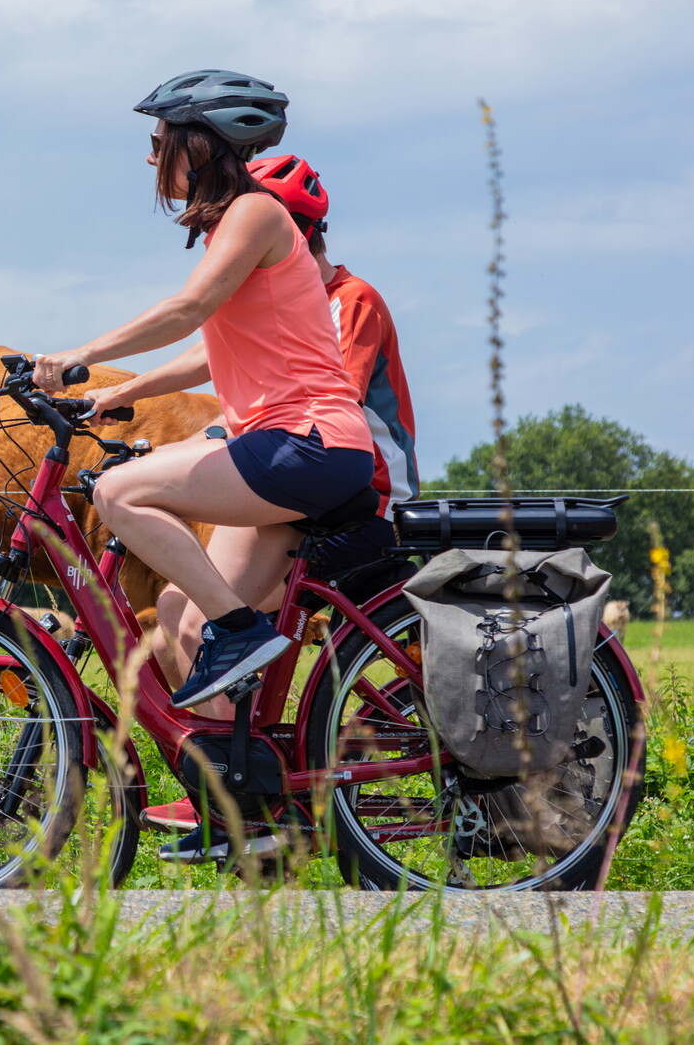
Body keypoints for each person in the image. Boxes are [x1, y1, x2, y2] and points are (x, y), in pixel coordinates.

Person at [34, 70, 376, 859]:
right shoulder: (241, 225)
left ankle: (241, 628)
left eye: (161, 142)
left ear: (199, 143)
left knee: (120, 492)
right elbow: (207, 353)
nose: (153, 157)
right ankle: (242, 816)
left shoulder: (257, 212)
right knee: (184, 622)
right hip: (290, 449)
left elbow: (188, 310)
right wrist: (112, 395)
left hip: (307, 444)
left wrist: (80, 353)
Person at [102, 152, 421, 844]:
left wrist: (208, 443)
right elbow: (222, 360)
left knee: (216, 607)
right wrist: (120, 394)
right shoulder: (264, 298)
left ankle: (261, 791)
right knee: (181, 613)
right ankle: (234, 793)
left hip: (356, 484)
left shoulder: (349, 300)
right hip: (290, 477)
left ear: (302, 235)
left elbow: (317, 389)